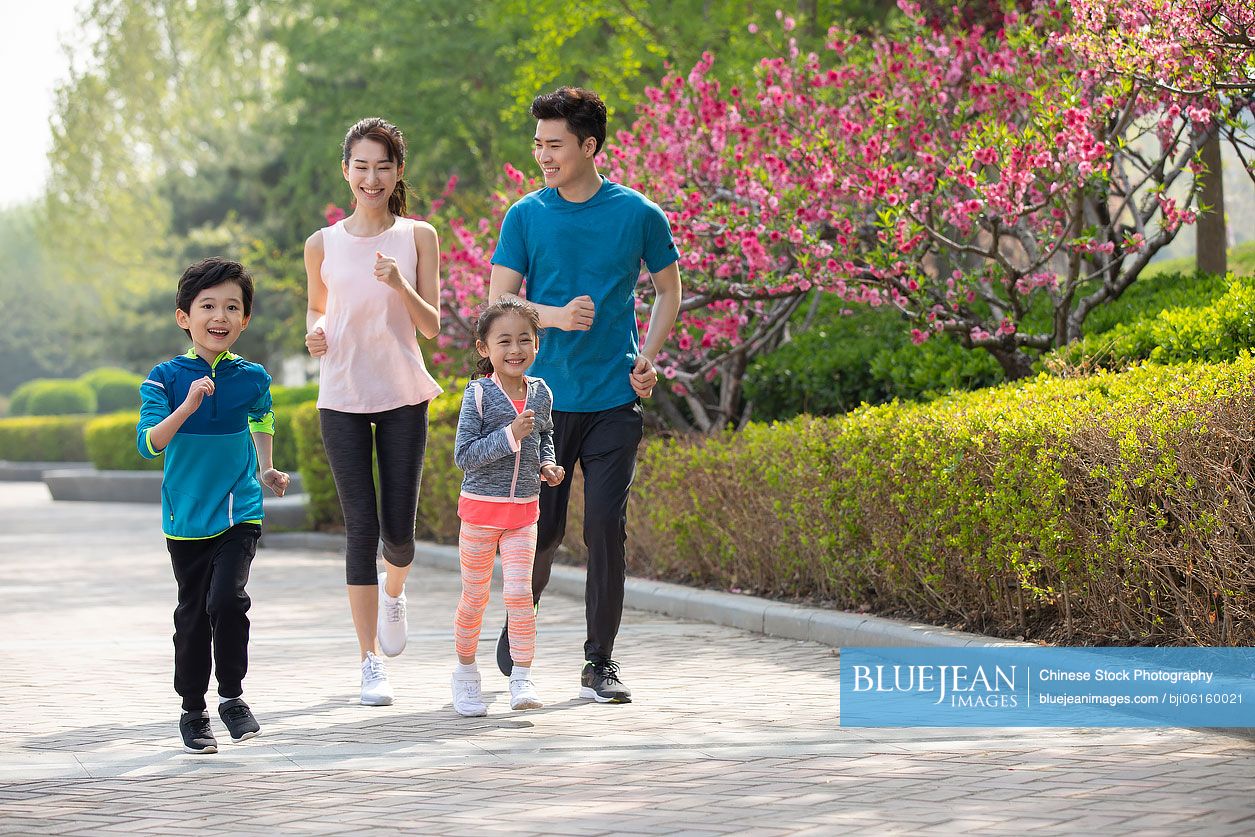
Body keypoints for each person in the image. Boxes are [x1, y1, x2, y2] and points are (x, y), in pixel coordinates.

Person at [489, 87, 682, 703]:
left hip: (612, 402)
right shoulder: (525, 215)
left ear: (588, 145)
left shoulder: (639, 215)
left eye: (554, 144)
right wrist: (553, 315)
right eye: (538, 144)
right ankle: (521, 622)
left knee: (605, 526)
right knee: (541, 532)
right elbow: (500, 304)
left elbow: (669, 293)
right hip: (542, 404)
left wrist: (647, 357)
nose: (543, 155)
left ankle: (600, 662)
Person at [304, 117, 443, 706]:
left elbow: (433, 326)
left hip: (403, 396)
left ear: (398, 172)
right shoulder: (322, 244)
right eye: (360, 165)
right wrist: (314, 331)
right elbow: (318, 310)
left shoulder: (418, 236)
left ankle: (395, 592)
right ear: (346, 172)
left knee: (399, 534)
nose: (371, 176)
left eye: (382, 165)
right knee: (359, 528)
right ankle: (368, 663)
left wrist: (397, 284)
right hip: (341, 397)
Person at [136, 257, 291, 754]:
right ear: (184, 316)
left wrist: (266, 467)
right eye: (208, 306)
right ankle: (193, 710)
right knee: (193, 616)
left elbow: (262, 418)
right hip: (186, 516)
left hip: (239, 508)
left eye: (232, 306)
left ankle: (232, 697)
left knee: (228, 601)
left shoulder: (252, 376)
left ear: (245, 319)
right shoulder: (163, 378)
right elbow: (149, 443)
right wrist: (188, 406)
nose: (219, 316)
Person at [449, 298, 565, 716]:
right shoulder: (478, 395)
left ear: (537, 344)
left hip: (523, 514)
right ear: (484, 349)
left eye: (524, 340)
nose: (515, 350)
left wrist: (548, 464)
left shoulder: (542, 392)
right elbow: (464, 455)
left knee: (519, 594)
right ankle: (465, 677)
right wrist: (511, 435)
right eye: (504, 341)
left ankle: (522, 677)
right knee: (475, 598)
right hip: (480, 513)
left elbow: (545, 436)